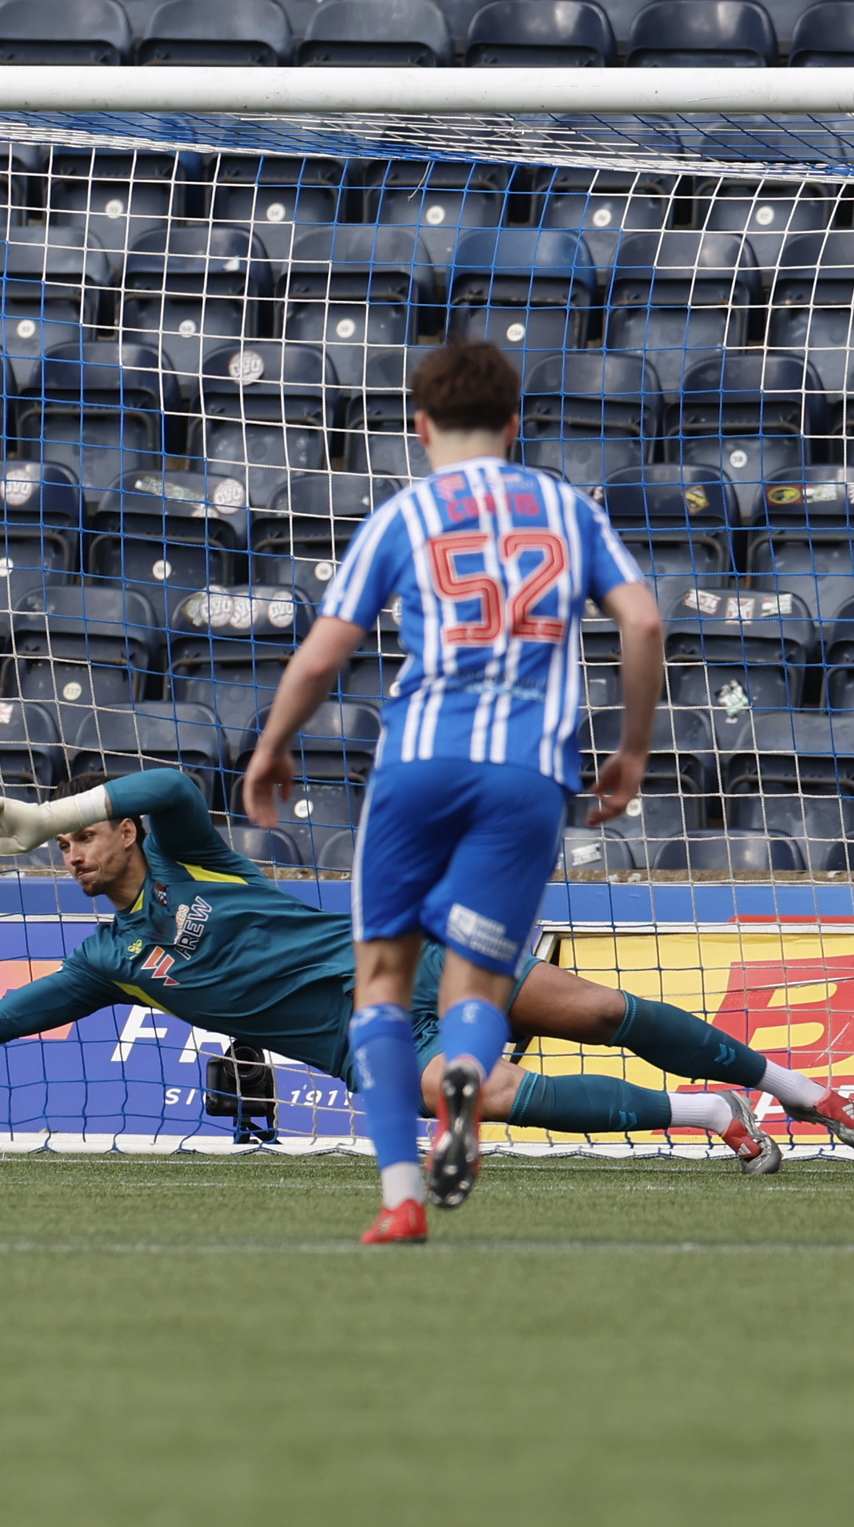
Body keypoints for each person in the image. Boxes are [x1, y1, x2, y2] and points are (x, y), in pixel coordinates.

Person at [0, 767, 854, 1170]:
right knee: (482, 1095)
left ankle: (805, 1094)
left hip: (409, 966)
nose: (70, 855)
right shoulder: (109, 960)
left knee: (598, 1012)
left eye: (81, 837)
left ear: (125, 833)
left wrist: (44, 812)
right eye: (62, 847)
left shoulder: (196, 861)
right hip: (363, 1046)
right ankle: (711, 1113)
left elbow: (173, 783)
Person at [241, 340, 665, 1244]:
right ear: (514, 426)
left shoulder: (405, 513)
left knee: (381, 987)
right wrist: (631, 750)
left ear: (421, 426)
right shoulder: (567, 508)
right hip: (527, 776)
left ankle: (401, 1198)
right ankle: (468, 1073)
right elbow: (643, 621)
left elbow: (322, 654)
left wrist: (272, 745)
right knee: (477, 984)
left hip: (418, 766)